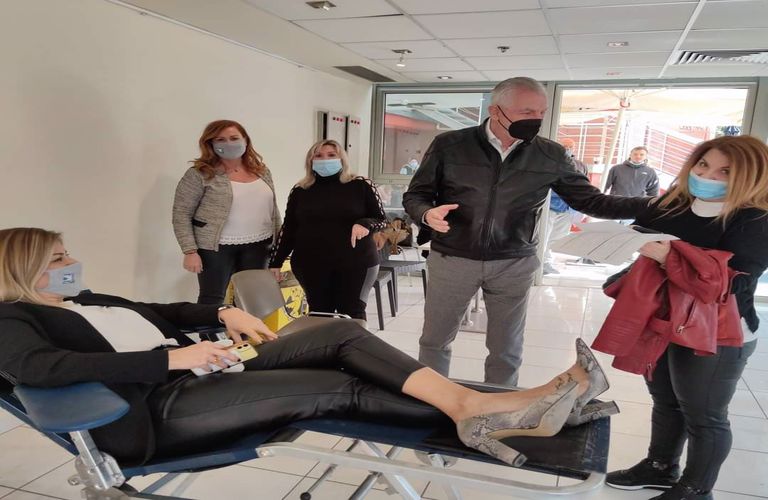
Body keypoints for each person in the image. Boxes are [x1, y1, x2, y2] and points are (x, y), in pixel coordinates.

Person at [0, 227, 611, 468]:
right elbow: (40, 367)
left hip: (202, 371)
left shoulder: (84, 300)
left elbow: (161, 312)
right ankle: (499, 411)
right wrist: (169, 359)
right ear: (22, 268)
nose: (72, 262)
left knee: (338, 332)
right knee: (336, 389)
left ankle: (480, 407)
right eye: (57, 257)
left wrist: (221, 311)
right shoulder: (11, 317)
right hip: (159, 407)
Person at [403, 77, 651, 386]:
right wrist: (426, 214)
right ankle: (431, 399)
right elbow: (416, 195)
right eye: (526, 112)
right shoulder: (450, 145)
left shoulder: (551, 154)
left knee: (506, 349)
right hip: (453, 258)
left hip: (513, 262)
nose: (536, 119)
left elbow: (592, 201)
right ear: (495, 111)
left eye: (541, 112)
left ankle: (501, 405)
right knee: (434, 340)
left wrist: (655, 205)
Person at [603, 136, 768, 500]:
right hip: (665, 319)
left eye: (725, 171)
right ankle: (660, 467)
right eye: (703, 165)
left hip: (719, 331)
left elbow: (731, 283)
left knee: (704, 415)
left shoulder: (756, 219)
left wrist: (668, 257)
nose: (708, 176)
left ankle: (696, 490)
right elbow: (631, 223)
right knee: (666, 400)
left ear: (750, 175)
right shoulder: (675, 205)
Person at [269, 140, 386, 321]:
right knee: (319, 315)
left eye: (331, 155)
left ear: (342, 159)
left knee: (353, 314)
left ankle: (352, 341)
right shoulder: (300, 190)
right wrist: (276, 262)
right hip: (310, 264)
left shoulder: (361, 184)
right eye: (318, 155)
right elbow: (289, 228)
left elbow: (381, 220)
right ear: (310, 161)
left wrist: (365, 223)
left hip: (356, 262)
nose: (325, 159)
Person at [172, 120, 281, 304]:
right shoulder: (199, 174)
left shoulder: (262, 171)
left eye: (234, 138)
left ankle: (245, 325)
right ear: (211, 143)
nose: (229, 143)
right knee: (212, 299)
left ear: (245, 140)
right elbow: (181, 213)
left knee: (252, 299)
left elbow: (273, 210)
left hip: (259, 246)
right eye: (220, 139)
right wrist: (190, 251)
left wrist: (279, 247)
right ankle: (209, 325)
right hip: (215, 248)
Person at [543, 138, 589, 274]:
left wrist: (582, 207)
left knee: (557, 238)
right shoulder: (549, 162)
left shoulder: (580, 165)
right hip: (550, 206)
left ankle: (547, 261)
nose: (567, 149)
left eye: (570, 146)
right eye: (564, 146)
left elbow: (584, 186)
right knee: (544, 236)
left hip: (568, 208)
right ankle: (543, 263)